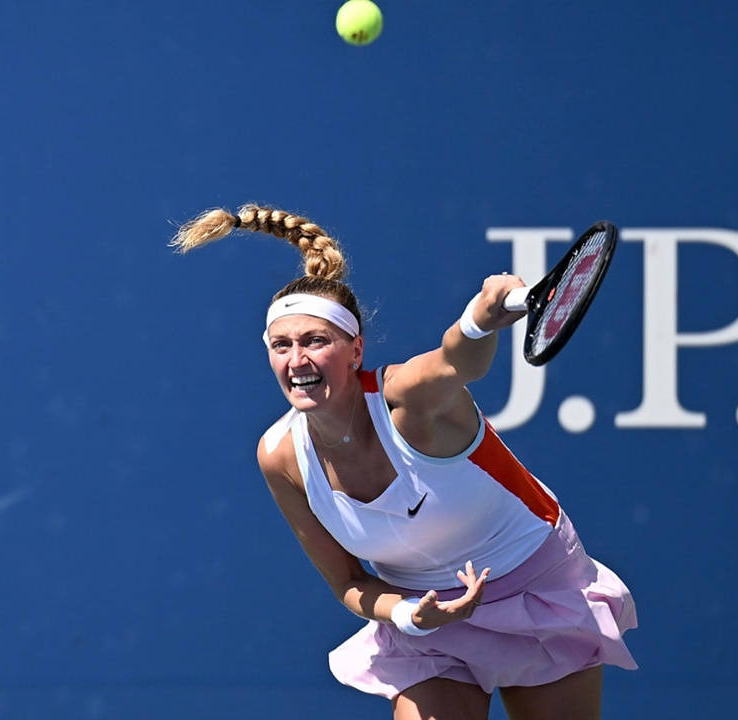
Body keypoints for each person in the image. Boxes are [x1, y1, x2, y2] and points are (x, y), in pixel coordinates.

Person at [171, 204, 637, 720]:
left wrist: (479, 322)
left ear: (354, 351)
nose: (296, 360)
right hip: (427, 619)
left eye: (315, 342)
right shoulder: (280, 456)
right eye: (281, 345)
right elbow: (348, 582)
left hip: (535, 588)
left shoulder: (407, 401)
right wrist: (409, 615)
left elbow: (457, 361)